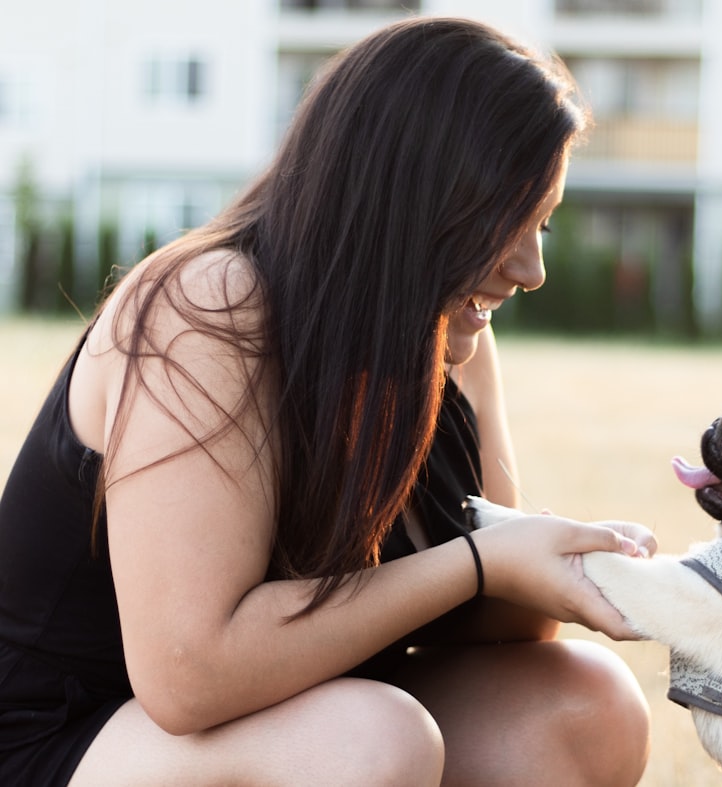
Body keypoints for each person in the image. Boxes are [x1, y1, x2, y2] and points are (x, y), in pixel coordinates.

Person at [0, 17, 657, 786]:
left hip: (292, 717)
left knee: (587, 703)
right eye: (507, 218)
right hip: (67, 737)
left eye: (542, 222)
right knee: (370, 739)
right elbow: (190, 676)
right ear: (407, 197)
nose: (532, 267)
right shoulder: (209, 307)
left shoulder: (448, 339)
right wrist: (479, 561)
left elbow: (496, 632)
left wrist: (551, 562)